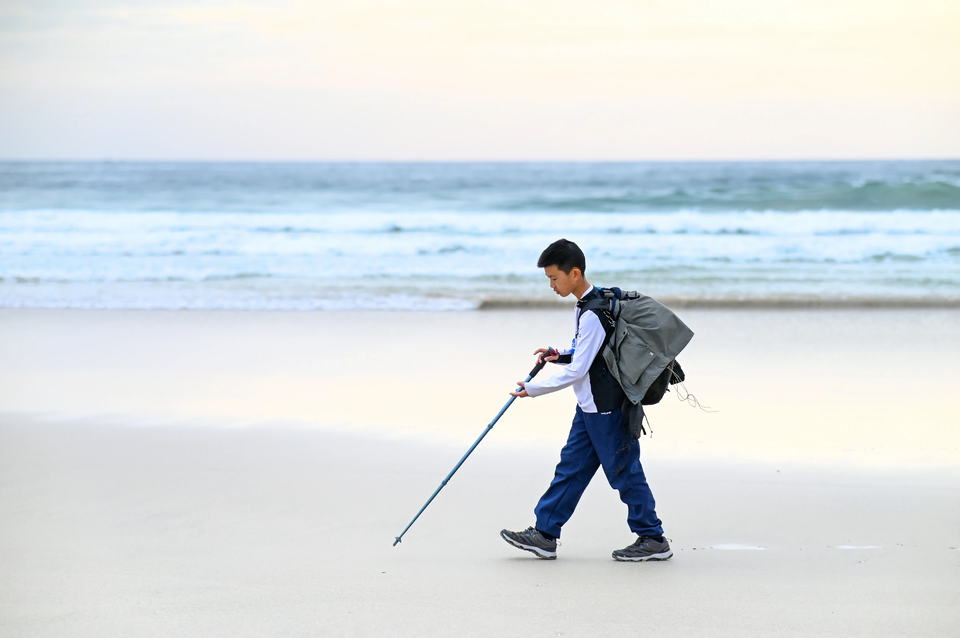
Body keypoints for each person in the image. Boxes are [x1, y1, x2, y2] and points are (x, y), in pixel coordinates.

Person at [501, 238, 672, 562]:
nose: (552, 285)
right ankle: (545, 534)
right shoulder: (590, 303)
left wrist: (533, 389)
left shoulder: (593, 311)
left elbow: (579, 370)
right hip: (589, 407)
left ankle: (653, 538)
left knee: (624, 472)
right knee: (571, 469)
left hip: (606, 409)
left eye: (554, 278)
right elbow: (588, 352)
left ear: (575, 273)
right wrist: (560, 354)